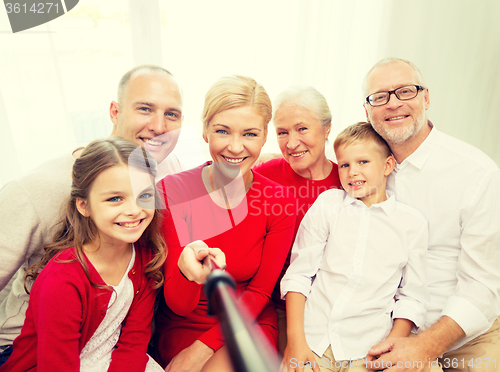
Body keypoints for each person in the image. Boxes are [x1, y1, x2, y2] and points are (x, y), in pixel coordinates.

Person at [0, 64, 184, 367]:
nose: (160, 126)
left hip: (115, 339)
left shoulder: (167, 166)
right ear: (114, 111)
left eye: (172, 114)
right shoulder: (36, 190)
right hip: (36, 347)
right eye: (145, 109)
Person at [363, 58, 500, 372]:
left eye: (405, 91)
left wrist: (424, 347)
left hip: (463, 335)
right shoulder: (359, 168)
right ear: (367, 111)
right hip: (382, 332)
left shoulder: (477, 173)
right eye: (380, 97)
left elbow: (482, 288)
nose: (393, 104)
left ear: (426, 98)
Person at [153, 75, 297, 372]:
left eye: (249, 134)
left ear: (264, 136)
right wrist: (188, 271)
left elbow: (259, 292)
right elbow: (178, 304)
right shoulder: (172, 191)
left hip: (249, 319)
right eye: (222, 131)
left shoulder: (281, 200)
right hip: (185, 323)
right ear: (205, 131)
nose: (235, 147)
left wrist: (202, 349)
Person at [0, 137, 166, 371]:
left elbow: (134, 342)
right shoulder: (62, 280)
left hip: (110, 360)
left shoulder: (146, 256)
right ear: (83, 205)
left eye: (145, 196)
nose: (134, 210)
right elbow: (56, 365)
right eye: (115, 198)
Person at [280, 122, 429, 372]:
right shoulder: (328, 205)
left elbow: (412, 295)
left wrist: (394, 342)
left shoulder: (411, 224)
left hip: (368, 349)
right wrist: (296, 342)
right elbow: (298, 276)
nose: (352, 172)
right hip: (314, 341)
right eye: (345, 165)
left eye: (363, 162)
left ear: (387, 166)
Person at [253, 86, 341, 354]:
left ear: (327, 128)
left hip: (331, 310)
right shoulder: (263, 175)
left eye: (302, 129)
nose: (291, 143)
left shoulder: (349, 181)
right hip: (275, 305)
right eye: (282, 132)